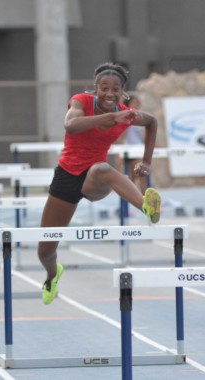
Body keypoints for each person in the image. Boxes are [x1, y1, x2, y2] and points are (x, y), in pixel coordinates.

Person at [39, 62, 161, 305]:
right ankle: (52, 274)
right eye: (104, 88)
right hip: (66, 177)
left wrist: (146, 162)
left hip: (93, 180)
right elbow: (70, 126)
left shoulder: (126, 114)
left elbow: (152, 122)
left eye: (115, 89)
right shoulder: (80, 102)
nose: (110, 93)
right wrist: (112, 116)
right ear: (95, 89)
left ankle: (146, 205)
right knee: (45, 251)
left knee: (102, 168)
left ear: (122, 92)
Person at [119, 93, 149, 194]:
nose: (137, 105)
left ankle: (127, 204)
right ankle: (146, 203)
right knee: (141, 176)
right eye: (134, 102)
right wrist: (120, 153)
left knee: (133, 177)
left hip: (139, 150)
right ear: (129, 104)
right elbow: (121, 136)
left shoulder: (139, 117)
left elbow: (141, 137)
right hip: (130, 151)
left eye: (137, 103)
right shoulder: (126, 117)